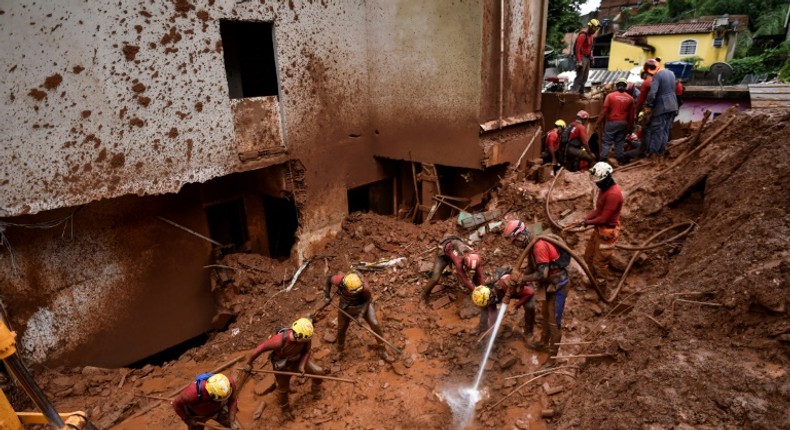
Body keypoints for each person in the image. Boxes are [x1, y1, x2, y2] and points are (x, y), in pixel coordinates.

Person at [501, 220, 572, 364]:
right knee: (545, 315)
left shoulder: (539, 246)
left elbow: (542, 274)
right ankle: (543, 342)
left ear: (520, 236)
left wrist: (522, 279)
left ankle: (552, 359)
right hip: (549, 285)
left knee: (554, 322)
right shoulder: (532, 244)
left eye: (515, 242)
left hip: (559, 285)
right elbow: (533, 267)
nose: (515, 246)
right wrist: (520, 276)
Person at [244, 318, 323, 421]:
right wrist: (249, 363)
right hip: (283, 367)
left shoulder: (306, 337)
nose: (307, 341)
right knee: (283, 389)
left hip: (297, 361)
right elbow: (260, 349)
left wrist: (301, 366)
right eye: (305, 340)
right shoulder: (278, 341)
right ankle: (285, 410)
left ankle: (316, 391)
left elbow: (307, 352)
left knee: (318, 372)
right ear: (297, 335)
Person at [325, 271, 390, 360]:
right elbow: (328, 279)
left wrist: (361, 315)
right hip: (346, 307)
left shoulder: (365, 288)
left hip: (363, 305)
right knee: (341, 329)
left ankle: (382, 349)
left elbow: (368, 300)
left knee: (375, 324)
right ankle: (340, 351)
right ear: (347, 288)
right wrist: (327, 296)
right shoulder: (339, 280)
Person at [582, 162, 624, 285]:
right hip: (599, 229)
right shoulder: (604, 189)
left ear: (606, 179)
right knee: (588, 257)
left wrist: (588, 222)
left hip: (607, 233)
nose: (596, 183)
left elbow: (604, 219)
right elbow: (598, 211)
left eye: (598, 181)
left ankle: (600, 286)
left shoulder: (613, 194)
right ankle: (593, 279)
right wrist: (586, 218)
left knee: (599, 263)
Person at [471, 268, 536, 337]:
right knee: (485, 306)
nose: (489, 304)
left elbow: (530, 292)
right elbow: (492, 312)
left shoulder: (504, 285)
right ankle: (482, 326)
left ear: (491, 296)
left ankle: (528, 332)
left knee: (530, 306)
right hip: (506, 292)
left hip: (523, 288)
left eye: (490, 302)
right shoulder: (486, 293)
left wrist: (516, 306)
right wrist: (493, 331)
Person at [421, 236, 484, 303]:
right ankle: (424, 296)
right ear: (464, 262)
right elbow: (465, 280)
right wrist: (476, 292)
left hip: (453, 248)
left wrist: (483, 290)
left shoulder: (476, 258)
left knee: (477, 277)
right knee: (435, 278)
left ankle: (477, 288)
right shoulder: (459, 261)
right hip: (443, 255)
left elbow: (480, 276)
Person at [171, 373, 240, 430]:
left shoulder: (229, 383)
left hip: (218, 410)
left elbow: (232, 400)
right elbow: (176, 404)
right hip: (197, 415)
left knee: (234, 427)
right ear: (211, 394)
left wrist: (232, 420)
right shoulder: (192, 393)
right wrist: (187, 419)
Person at [644, 59, 678, 155]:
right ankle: (661, 151)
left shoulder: (657, 76)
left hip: (662, 107)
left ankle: (653, 154)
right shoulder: (671, 73)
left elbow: (652, 93)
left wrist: (648, 104)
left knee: (657, 130)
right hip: (673, 105)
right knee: (665, 130)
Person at [596, 78, 634, 163]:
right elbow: (632, 116)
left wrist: (597, 122)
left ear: (616, 86)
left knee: (606, 142)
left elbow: (604, 111)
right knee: (620, 142)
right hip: (623, 123)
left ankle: (602, 160)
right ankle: (620, 158)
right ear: (625, 86)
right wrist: (630, 128)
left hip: (611, 122)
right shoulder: (630, 98)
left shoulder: (610, 96)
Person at [570, 19, 601, 97]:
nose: (595, 31)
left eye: (596, 29)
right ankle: (573, 93)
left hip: (587, 58)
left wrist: (592, 58)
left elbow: (590, 49)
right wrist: (579, 61)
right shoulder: (583, 35)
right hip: (581, 57)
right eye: (594, 28)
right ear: (590, 27)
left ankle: (581, 92)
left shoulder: (591, 37)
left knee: (585, 77)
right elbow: (577, 48)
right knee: (580, 76)